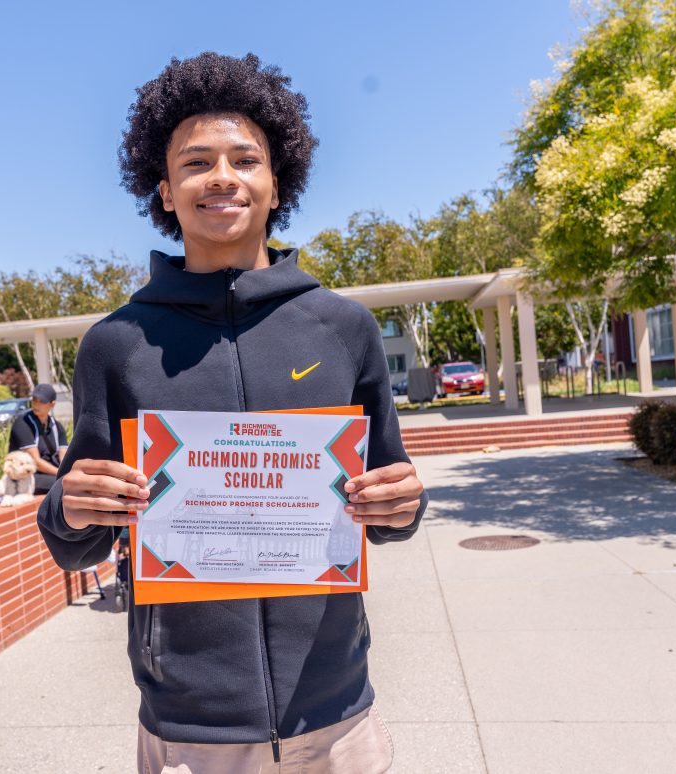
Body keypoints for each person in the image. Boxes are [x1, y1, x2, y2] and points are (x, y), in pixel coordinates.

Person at [38, 53, 427, 773]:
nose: (222, 176)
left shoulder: (342, 330)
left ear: (277, 183)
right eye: (196, 162)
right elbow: (76, 542)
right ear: (164, 189)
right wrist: (71, 506)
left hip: (335, 717)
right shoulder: (116, 345)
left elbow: (391, 492)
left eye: (245, 158)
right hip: (190, 728)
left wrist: (403, 501)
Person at [8, 383, 69, 495]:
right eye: (34, 400)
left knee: (76, 482)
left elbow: (64, 457)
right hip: (28, 475)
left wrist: (69, 472)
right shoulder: (23, 423)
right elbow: (36, 461)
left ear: (52, 404)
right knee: (66, 483)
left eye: (42, 401)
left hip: (52, 474)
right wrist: (62, 474)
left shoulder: (57, 426)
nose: (36, 404)